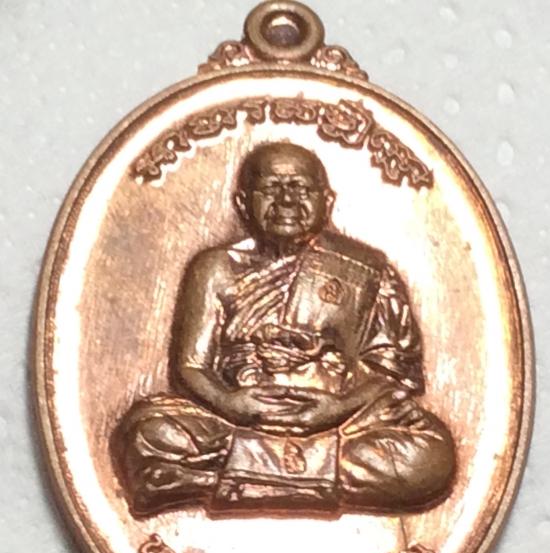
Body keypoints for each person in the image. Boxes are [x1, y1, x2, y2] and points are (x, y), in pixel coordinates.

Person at [117, 142, 455, 515]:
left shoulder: (366, 269)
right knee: (146, 432)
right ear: (243, 203)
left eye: (300, 188)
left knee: (432, 455)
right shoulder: (215, 267)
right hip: (238, 416)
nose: (287, 201)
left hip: (337, 418)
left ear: (327, 201)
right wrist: (231, 404)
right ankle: (307, 479)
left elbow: (394, 372)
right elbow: (191, 367)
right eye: (272, 188)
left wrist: (337, 408)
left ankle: (219, 481)